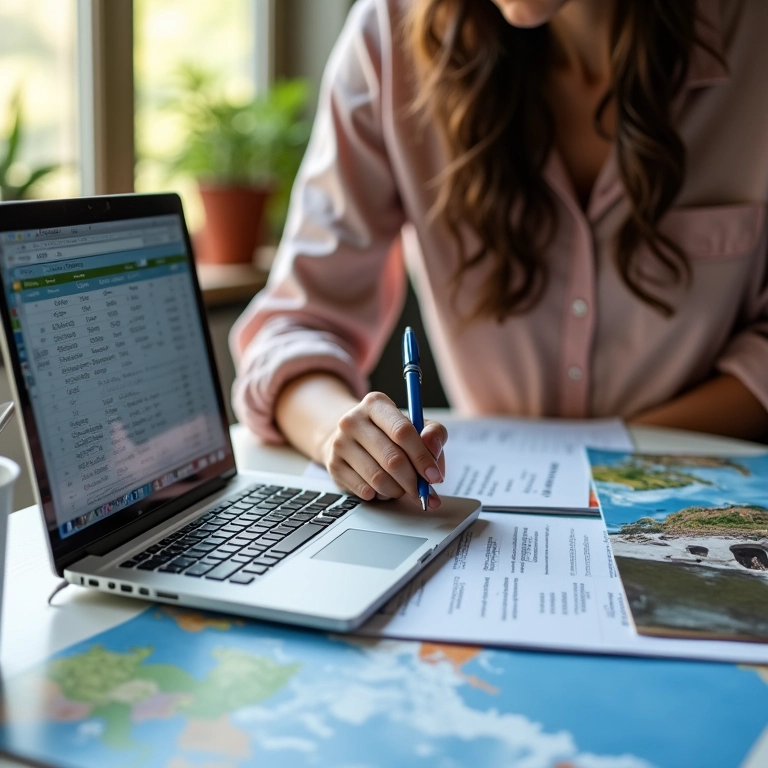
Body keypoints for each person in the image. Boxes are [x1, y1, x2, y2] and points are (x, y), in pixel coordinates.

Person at [230, 0, 768, 510]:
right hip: (500, 521)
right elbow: (294, 328)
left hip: (701, 497)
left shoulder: (753, 36)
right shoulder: (389, 38)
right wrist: (340, 435)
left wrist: (609, 457)